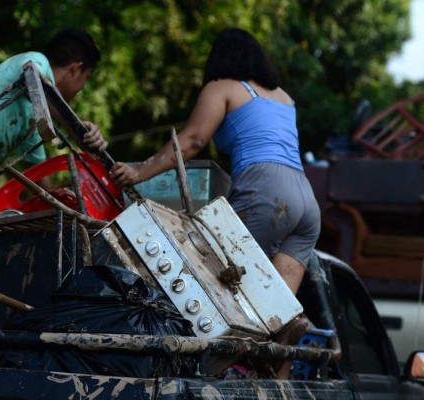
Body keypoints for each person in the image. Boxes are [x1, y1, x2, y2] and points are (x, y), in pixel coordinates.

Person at [110, 28, 321, 377]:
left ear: (220, 59)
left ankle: (206, 370)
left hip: (265, 189)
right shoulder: (283, 96)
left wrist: (139, 172)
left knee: (218, 280)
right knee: (276, 310)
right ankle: (277, 367)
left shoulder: (222, 87)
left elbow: (192, 141)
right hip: (305, 198)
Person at [0, 28, 108, 217]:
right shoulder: (35, 60)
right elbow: (35, 78)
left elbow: (39, 176)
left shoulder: (33, 119)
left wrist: (61, 206)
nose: (81, 89)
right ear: (75, 69)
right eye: (86, 79)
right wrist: (76, 128)